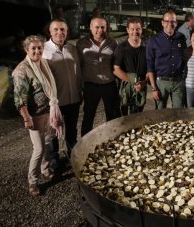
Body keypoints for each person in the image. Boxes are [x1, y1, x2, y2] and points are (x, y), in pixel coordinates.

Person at [12, 35, 63, 196]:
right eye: (33, 48)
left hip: (48, 112)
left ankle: (45, 170)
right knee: (38, 149)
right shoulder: (22, 70)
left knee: (47, 144)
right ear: (27, 50)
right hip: (34, 116)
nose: (37, 51)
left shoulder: (43, 64)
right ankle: (32, 181)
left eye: (39, 48)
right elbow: (19, 98)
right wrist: (26, 118)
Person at [43, 18, 82, 162]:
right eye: (56, 29)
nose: (60, 32)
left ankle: (72, 155)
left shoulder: (72, 48)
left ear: (67, 31)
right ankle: (54, 161)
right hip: (56, 101)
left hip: (74, 98)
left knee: (72, 130)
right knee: (53, 132)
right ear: (50, 32)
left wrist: (79, 89)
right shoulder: (44, 50)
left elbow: (78, 71)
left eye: (63, 29)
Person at [76, 16, 120, 136]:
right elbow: (78, 66)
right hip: (91, 86)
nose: (100, 30)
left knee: (112, 116)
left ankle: (113, 140)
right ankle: (85, 144)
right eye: (97, 27)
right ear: (90, 27)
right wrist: (79, 86)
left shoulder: (113, 43)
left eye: (102, 27)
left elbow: (117, 64)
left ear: (106, 28)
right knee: (88, 116)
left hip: (109, 85)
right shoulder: (81, 44)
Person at [146, 10, 186, 109]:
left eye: (173, 21)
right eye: (167, 21)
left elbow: (185, 57)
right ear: (162, 22)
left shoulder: (181, 38)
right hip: (161, 83)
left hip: (178, 82)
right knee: (160, 114)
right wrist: (154, 88)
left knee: (178, 113)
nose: (170, 24)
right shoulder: (154, 40)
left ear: (176, 23)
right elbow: (150, 66)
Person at [113, 17, 148, 115]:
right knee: (125, 116)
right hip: (126, 89)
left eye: (138, 29)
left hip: (141, 87)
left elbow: (149, 70)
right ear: (127, 30)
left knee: (138, 115)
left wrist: (143, 83)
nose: (135, 32)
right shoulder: (121, 48)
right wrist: (133, 81)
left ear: (142, 30)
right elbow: (116, 70)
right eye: (132, 29)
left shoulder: (147, 48)